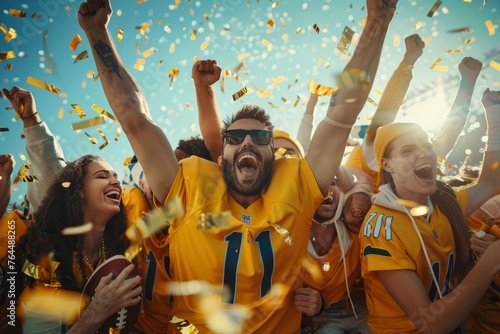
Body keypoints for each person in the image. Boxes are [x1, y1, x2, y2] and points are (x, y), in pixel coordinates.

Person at [78, 0, 397, 332]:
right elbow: (136, 119)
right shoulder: (190, 187)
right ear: (220, 158)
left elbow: (342, 113)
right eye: (237, 137)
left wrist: (378, 20)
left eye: (260, 137)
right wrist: (97, 31)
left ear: (274, 157)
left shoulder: (298, 185)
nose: (247, 142)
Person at [359, 88, 500, 333]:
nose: (424, 154)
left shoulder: (443, 200)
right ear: (387, 165)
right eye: (408, 150)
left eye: (426, 146)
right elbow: (429, 324)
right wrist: (489, 263)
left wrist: (494, 114)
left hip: (453, 319)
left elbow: (489, 181)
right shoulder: (381, 227)